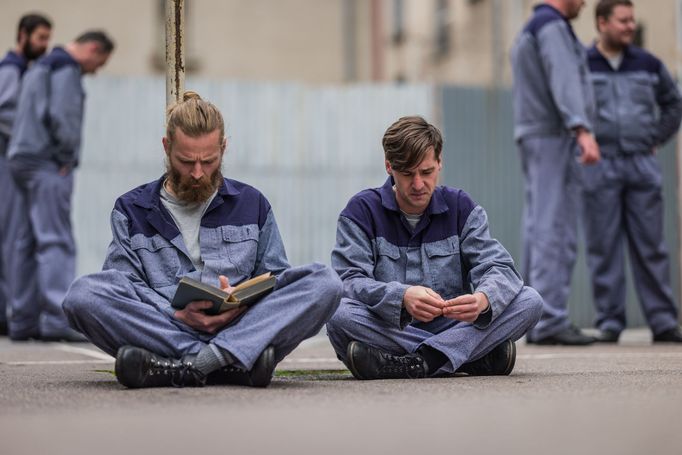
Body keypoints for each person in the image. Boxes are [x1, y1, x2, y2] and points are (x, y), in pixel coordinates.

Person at [62, 91, 343, 389]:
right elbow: (124, 284)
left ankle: (185, 366)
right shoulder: (131, 209)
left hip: (241, 325)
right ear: (167, 147)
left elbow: (275, 277)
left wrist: (242, 300)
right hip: (167, 326)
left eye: (209, 161)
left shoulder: (252, 203)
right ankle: (228, 363)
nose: (197, 173)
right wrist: (175, 312)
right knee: (83, 295)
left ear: (223, 148)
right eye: (186, 161)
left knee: (325, 282)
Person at [325, 116, 543, 380]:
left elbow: (500, 268)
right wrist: (401, 297)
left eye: (426, 172)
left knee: (530, 301)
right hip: (391, 327)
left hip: (453, 326)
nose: (418, 184)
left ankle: (418, 361)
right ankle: (468, 357)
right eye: (407, 174)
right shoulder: (361, 211)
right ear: (388, 166)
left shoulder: (461, 207)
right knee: (337, 313)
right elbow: (347, 281)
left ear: (440, 163)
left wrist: (483, 300)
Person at [583, 0, 682, 343]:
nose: (629, 27)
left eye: (631, 21)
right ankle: (610, 321)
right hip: (600, 164)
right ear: (601, 23)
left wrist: (655, 137)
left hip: (642, 164)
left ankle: (664, 321)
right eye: (622, 21)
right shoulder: (583, 64)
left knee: (652, 246)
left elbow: (674, 103)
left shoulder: (649, 64)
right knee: (603, 246)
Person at [6, 30, 114, 341]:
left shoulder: (41, 65)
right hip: (48, 162)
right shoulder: (65, 68)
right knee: (56, 239)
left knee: (24, 240)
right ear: (92, 48)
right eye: (99, 63)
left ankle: (23, 320)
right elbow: (63, 116)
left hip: (21, 158)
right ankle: (56, 318)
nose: (95, 71)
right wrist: (66, 157)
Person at [511, 0, 600, 345]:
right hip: (553, 136)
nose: (585, 3)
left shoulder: (532, 26)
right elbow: (564, 78)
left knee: (538, 227)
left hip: (536, 134)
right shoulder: (553, 27)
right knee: (554, 228)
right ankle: (549, 319)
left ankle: (536, 317)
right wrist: (581, 128)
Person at [0, 13, 52, 336]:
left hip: (11, 160)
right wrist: (31, 136)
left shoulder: (25, 71)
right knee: (10, 236)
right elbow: (5, 112)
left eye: (48, 38)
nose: (45, 45)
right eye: (40, 38)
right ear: (23, 35)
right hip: (7, 161)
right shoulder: (11, 70)